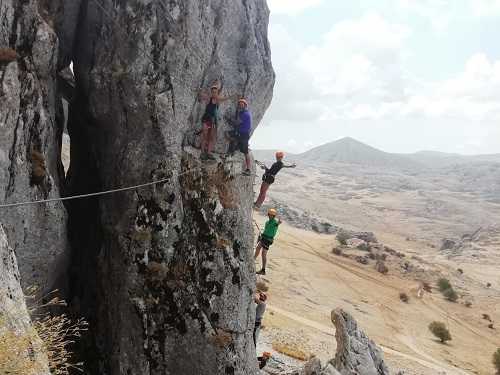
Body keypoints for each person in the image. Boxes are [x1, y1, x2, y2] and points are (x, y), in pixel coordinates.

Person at [198, 81, 236, 160]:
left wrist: (233, 96)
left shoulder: (218, 99)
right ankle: (202, 153)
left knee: (212, 137)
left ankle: (208, 153)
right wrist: (200, 90)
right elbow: (202, 95)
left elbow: (226, 99)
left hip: (213, 121)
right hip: (206, 119)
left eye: (215, 92)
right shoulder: (209, 98)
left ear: (217, 92)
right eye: (213, 92)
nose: (214, 93)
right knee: (204, 135)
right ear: (211, 92)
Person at [254, 209, 281, 275]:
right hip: (264, 238)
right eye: (269, 214)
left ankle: (263, 270)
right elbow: (266, 230)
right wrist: (261, 235)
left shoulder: (275, 222)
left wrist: (279, 222)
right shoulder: (267, 222)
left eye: (271, 215)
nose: (270, 216)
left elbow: (277, 224)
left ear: (274, 216)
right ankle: (252, 260)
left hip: (268, 240)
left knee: (263, 254)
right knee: (258, 248)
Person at [236, 98, 252, 175]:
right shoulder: (243, 113)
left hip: (244, 135)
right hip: (241, 133)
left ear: (245, 106)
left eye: (242, 104)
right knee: (239, 148)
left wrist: (228, 119)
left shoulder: (245, 114)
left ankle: (248, 169)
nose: (240, 106)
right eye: (239, 104)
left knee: (245, 152)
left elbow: (238, 123)